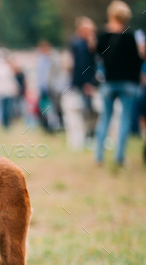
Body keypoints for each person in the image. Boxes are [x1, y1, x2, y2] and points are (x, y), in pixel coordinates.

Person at [94, 1, 144, 166]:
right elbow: (137, 61)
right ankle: (119, 157)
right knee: (125, 120)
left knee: (105, 119)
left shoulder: (102, 35)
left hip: (108, 83)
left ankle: (99, 156)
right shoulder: (130, 37)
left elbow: (97, 56)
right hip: (128, 84)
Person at [62, 17, 98, 150]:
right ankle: (86, 138)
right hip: (82, 84)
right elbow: (82, 67)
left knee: (87, 111)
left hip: (80, 84)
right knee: (86, 112)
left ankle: (85, 138)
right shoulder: (80, 44)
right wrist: (87, 82)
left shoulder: (79, 43)